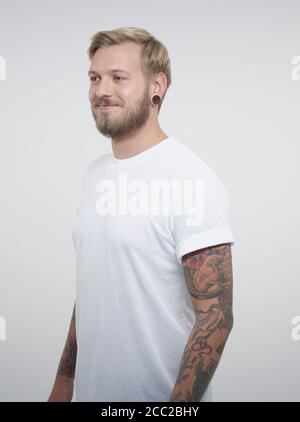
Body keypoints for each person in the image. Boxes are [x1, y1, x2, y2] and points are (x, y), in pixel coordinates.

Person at [48, 26, 235, 402]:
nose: (101, 91)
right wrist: (64, 382)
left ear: (157, 87)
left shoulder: (191, 178)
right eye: (95, 78)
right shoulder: (96, 174)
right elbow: (93, 287)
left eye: (118, 78)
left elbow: (216, 317)